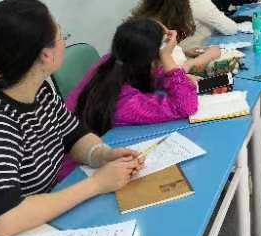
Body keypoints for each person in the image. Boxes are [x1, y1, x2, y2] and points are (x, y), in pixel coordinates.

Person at [0, 0, 143, 236]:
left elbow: (74, 135)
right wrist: (96, 184)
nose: (64, 41)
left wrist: (104, 154)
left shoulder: (38, 92)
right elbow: (1, 221)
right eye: (61, 35)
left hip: (39, 224)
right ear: (45, 55)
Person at [59, 19, 198, 180]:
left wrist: (173, 74)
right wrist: (167, 58)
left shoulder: (114, 62)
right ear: (151, 60)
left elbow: (157, 76)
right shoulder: (124, 102)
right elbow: (186, 105)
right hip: (77, 175)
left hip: (95, 152)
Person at [131, 0, 221, 73]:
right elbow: (173, 75)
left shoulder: (142, 23)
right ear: (180, 4)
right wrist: (207, 57)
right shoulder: (155, 32)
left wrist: (183, 52)